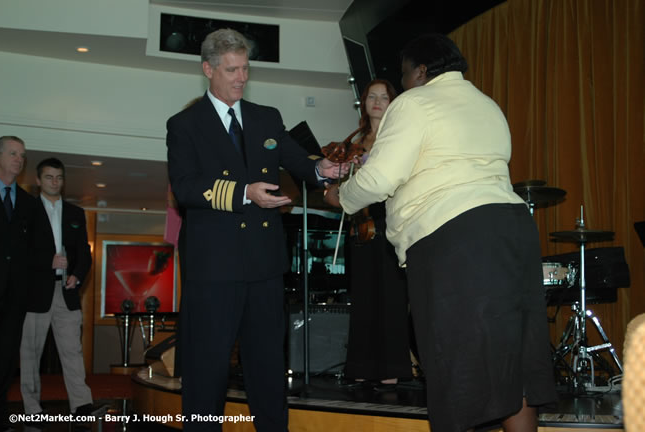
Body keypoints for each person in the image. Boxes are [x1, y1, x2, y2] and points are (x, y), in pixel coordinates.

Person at [328, 34, 557, 432]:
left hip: (455, 236)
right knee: (512, 359)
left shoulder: (414, 102)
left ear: (420, 71)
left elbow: (381, 177)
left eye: (403, 74)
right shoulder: (487, 104)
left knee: (455, 361)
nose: (401, 85)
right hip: (513, 229)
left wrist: (341, 196)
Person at [166, 28, 348, 431]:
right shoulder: (185, 125)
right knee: (207, 370)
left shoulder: (267, 118)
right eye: (231, 69)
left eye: (245, 68)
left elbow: (300, 162)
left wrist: (323, 170)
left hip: (264, 267)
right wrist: (244, 193)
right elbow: (186, 187)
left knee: (267, 370)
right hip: (213, 271)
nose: (241, 78)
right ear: (207, 69)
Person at [337, 79, 412, 388]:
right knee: (364, 297)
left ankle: (393, 369)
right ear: (364, 102)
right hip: (361, 224)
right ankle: (362, 366)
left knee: (392, 298)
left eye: (384, 96)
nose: (378, 102)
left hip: (390, 220)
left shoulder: (397, 137)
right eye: (372, 97)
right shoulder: (356, 141)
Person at [19, 157, 94, 418]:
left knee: (72, 351)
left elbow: (84, 253)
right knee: (30, 354)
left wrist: (77, 274)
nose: (55, 182)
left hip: (67, 291)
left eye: (59, 177)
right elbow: (18, 253)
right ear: (38, 180)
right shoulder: (26, 210)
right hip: (35, 294)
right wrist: (46, 262)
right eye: (49, 177)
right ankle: (32, 408)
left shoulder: (76, 213)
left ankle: (82, 405)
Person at [0, 136, 37, 432]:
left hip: (14, 299)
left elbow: (32, 251)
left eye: (22, 155)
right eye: (12, 153)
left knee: (5, 362)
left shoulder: (27, 203)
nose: (18, 160)